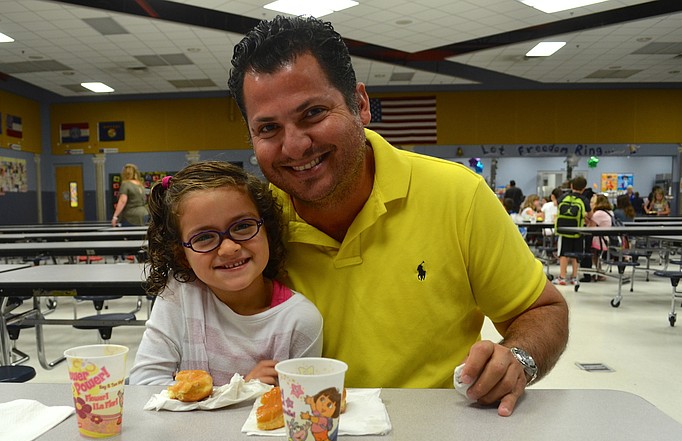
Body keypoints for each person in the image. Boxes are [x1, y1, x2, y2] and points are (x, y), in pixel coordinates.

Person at [228, 15, 568, 416]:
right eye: (268, 128)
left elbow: (542, 310)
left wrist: (517, 361)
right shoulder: (249, 228)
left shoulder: (457, 196)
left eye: (313, 113)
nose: (296, 145)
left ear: (361, 104)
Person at [127, 161, 323, 387]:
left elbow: (300, 409)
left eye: (242, 226)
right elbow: (144, 385)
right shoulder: (179, 294)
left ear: (266, 230)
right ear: (182, 256)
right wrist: (242, 391)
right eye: (203, 238)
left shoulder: (299, 322)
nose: (229, 248)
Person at [554, 177, 590, 286]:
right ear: (583, 188)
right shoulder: (584, 200)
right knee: (576, 254)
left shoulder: (563, 197)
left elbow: (556, 205)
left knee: (563, 254)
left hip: (563, 230)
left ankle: (562, 277)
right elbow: (590, 214)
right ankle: (574, 277)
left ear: (571, 186)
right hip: (578, 231)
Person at [587, 193, 613, 277]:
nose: (590, 204)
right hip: (606, 238)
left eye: (592, 202)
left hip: (600, 239)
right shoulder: (609, 212)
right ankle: (599, 270)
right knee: (596, 255)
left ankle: (598, 272)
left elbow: (590, 227)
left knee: (591, 249)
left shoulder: (598, 213)